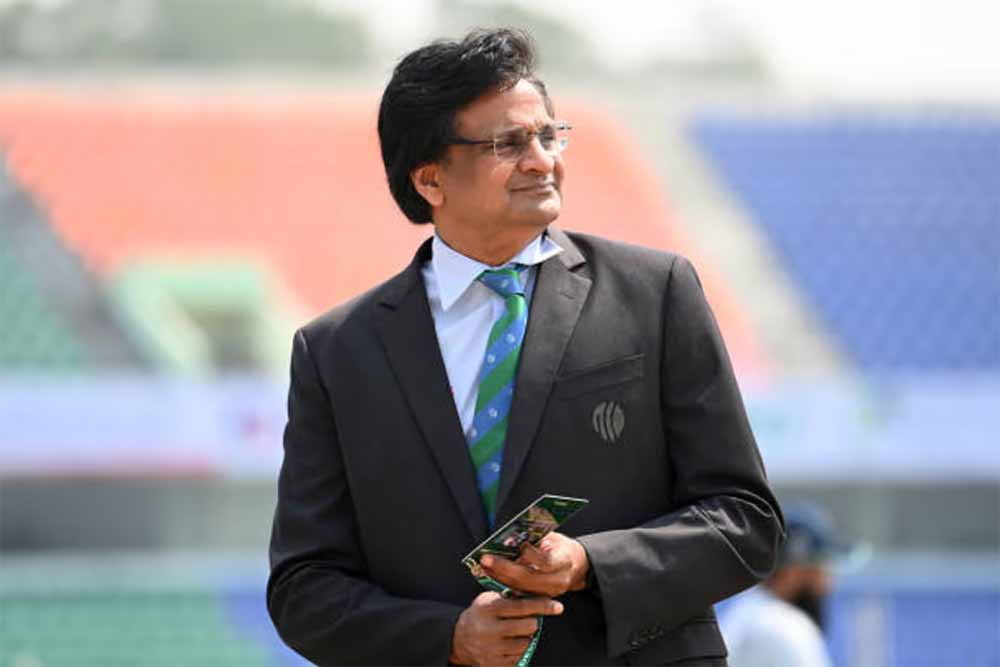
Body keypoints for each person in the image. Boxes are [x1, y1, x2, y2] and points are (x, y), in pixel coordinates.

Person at [267, 28, 784, 666]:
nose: (542, 161)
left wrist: (590, 562)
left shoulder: (655, 293)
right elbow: (304, 588)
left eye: (548, 135)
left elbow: (746, 521)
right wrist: (448, 638)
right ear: (430, 180)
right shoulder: (337, 352)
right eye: (508, 144)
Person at [719, 505, 840, 667]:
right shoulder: (783, 625)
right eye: (820, 570)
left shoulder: (748, 610)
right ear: (791, 573)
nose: (828, 584)